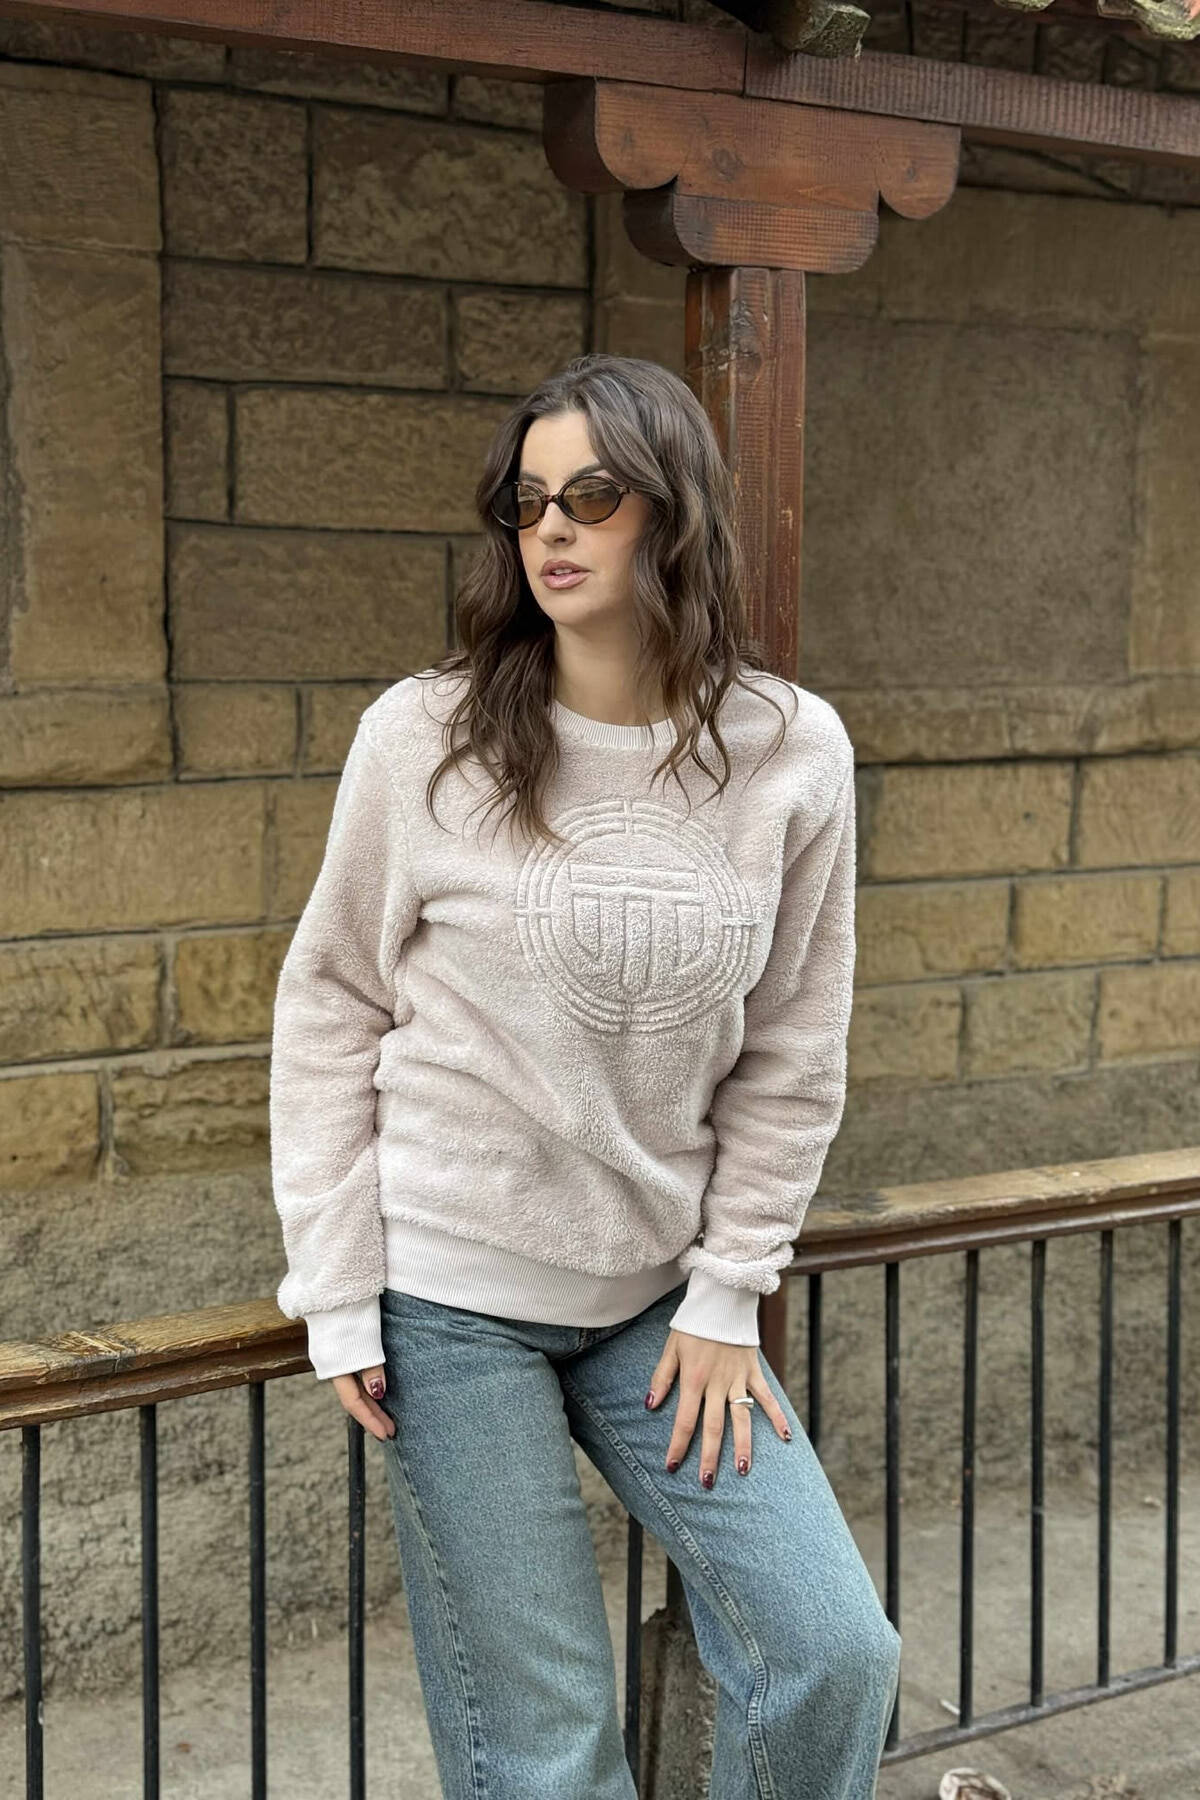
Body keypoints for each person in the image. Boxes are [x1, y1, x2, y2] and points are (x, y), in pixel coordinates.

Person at [268, 352, 901, 1799]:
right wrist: (336, 1284)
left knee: (830, 1650)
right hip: (448, 1302)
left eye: (594, 496)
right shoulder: (424, 736)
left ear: (673, 512)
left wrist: (732, 1288)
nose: (551, 528)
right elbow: (330, 1004)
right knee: (549, 1748)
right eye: (528, 500)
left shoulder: (791, 750)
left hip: (662, 1301)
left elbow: (796, 1048)